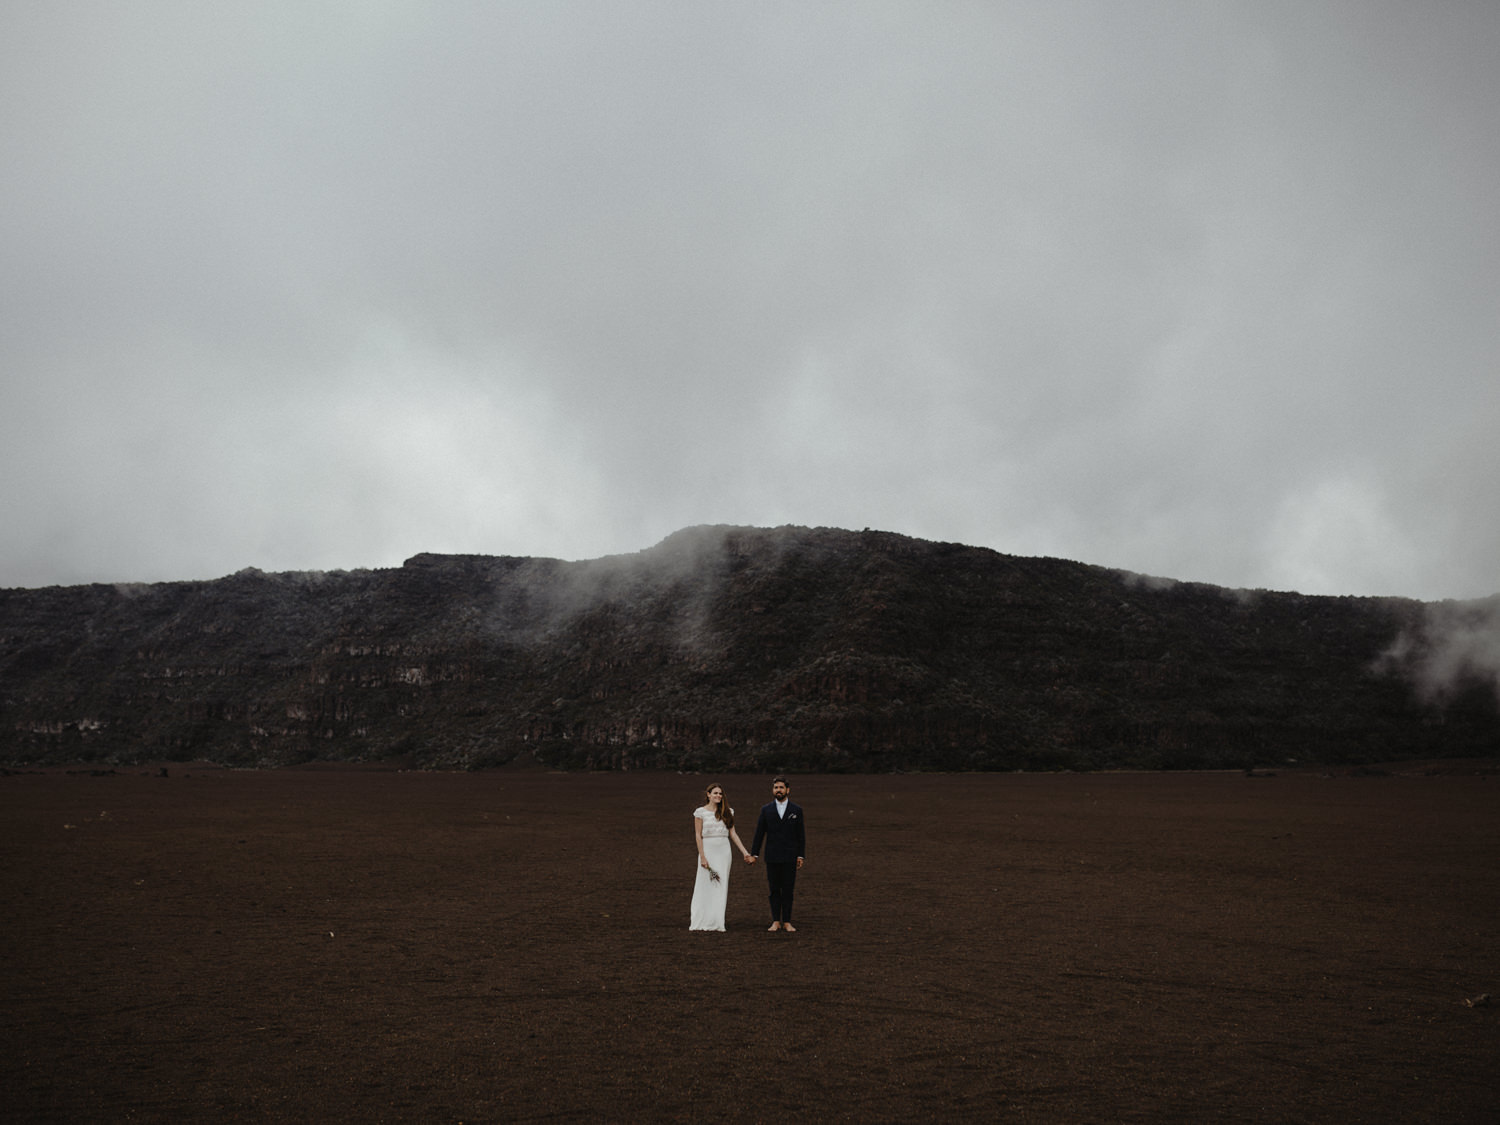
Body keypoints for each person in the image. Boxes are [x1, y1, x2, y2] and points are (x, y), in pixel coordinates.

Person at [689, 783, 751, 932]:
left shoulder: (728, 812)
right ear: (708, 795)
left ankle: (717, 920)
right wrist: (702, 856)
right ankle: (701, 919)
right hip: (707, 850)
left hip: (723, 851)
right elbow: (698, 835)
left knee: (720, 885)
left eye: (720, 793)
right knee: (705, 884)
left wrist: (745, 852)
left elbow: (733, 834)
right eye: (715, 793)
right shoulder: (700, 812)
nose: (718, 796)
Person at [749, 775, 805, 932]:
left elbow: (801, 835)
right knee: (774, 889)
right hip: (772, 856)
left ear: (788, 790)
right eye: (775, 788)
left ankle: (787, 921)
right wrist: (754, 854)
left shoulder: (796, 810)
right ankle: (775, 921)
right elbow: (759, 833)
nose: (778, 790)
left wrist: (800, 855)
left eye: (781, 787)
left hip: (790, 857)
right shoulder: (766, 810)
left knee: (788, 889)